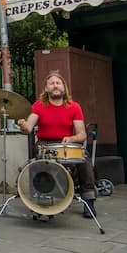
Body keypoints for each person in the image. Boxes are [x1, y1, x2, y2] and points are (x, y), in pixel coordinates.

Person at [18, 71, 97, 218]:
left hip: (66, 143)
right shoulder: (38, 106)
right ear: (46, 89)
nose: (55, 86)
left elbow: (82, 134)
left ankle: (89, 201)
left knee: (84, 160)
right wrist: (23, 126)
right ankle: (42, 200)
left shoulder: (74, 107)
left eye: (58, 83)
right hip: (45, 143)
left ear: (64, 87)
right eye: (51, 83)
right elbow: (29, 127)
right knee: (40, 161)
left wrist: (72, 139)